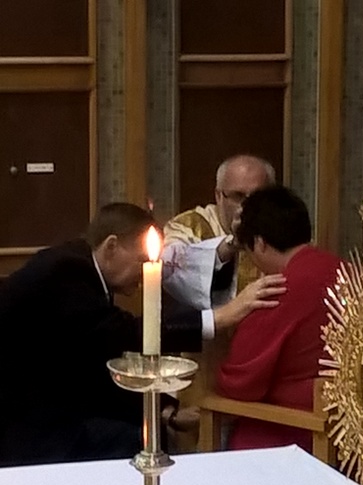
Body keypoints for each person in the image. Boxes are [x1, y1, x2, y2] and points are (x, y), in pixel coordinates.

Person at [0, 202, 285, 466]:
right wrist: (220, 317)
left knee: (147, 432)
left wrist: (167, 411)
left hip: (50, 404)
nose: (147, 271)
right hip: (24, 423)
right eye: (141, 261)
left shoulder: (83, 267)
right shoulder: (66, 271)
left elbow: (99, 355)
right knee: (139, 442)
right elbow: (122, 335)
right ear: (111, 247)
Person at [217, 185, 342, 452]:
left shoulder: (278, 290)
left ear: (260, 243)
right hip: (354, 433)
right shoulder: (348, 270)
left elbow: (240, 384)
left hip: (295, 433)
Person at [163, 154, 276, 310]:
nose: (248, 205)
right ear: (218, 196)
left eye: (258, 196)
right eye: (238, 196)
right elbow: (173, 273)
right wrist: (231, 245)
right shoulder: (186, 226)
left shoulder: (283, 229)